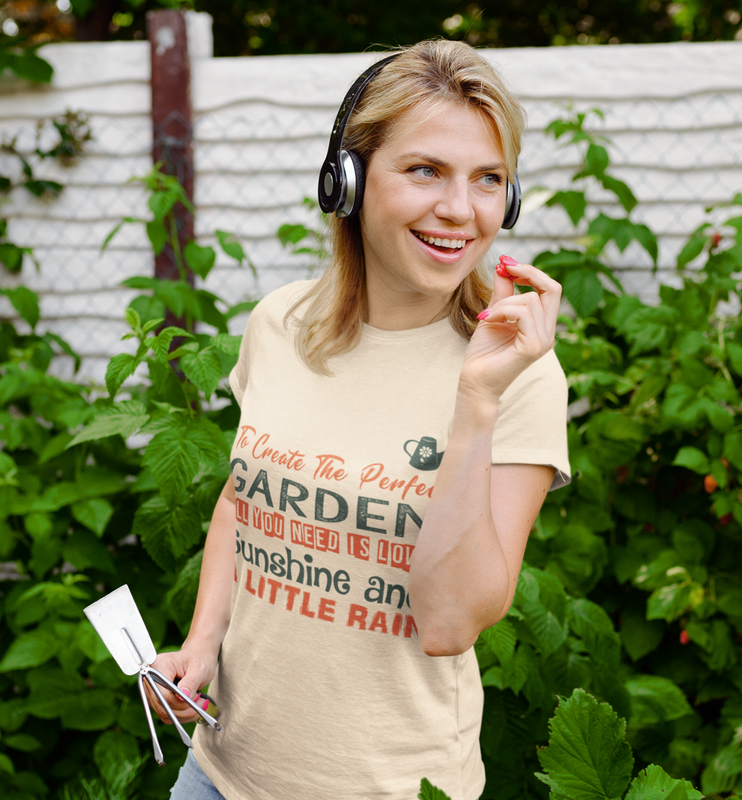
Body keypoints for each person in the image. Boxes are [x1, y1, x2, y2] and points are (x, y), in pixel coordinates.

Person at [151, 39, 570, 800]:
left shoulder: (519, 373)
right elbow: (245, 498)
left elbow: (449, 624)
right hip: (218, 771)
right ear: (346, 178)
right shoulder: (279, 322)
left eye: (488, 181)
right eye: (424, 171)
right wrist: (202, 640)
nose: (459, 210)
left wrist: (474, 405)